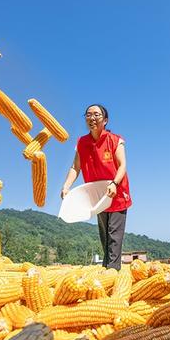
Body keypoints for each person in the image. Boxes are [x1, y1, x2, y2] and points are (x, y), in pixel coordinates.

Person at [61, 104, 132, 270]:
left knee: (114, 236)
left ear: (105, 120)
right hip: (97, 195)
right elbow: (75, 167)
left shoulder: (115, 140)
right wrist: (66, 186)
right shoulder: (82, 142)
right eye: (88, 115)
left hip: (116, 192)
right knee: (104, 237)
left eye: (96, 115)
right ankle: (108, 271)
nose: (92, 118)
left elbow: (122, 165)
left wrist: (114, 183)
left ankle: (112, 273)